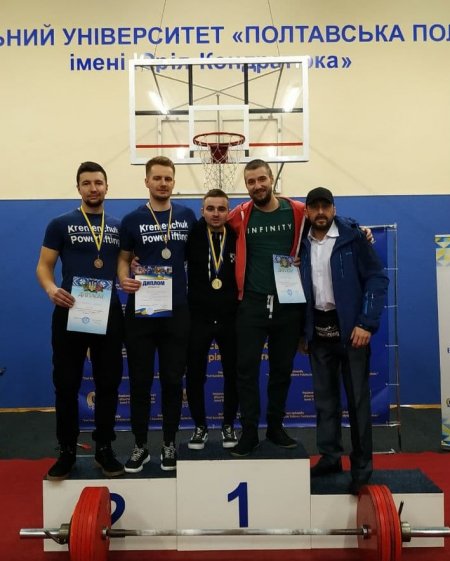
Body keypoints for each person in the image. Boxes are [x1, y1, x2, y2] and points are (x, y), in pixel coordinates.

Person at [36, 161, 124, 480]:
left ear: (107, 187)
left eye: (98, 182)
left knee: (109, 383)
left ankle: (104, 449)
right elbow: (44, 266)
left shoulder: (118, 227)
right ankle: (67, 451)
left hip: (108, 312)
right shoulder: (60, 224)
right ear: (78, 188)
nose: (93, 188)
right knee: (66, 384)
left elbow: (127, 265)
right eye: (86, 183)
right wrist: (51, 289)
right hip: (70, 309)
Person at [299, 187, 389, 495]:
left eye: (325, 207)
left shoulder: (353, 238)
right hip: (319, 332)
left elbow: (377, 278)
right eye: (314, 207)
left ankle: (362, 467)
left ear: (334, 209)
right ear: (307, 211)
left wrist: (366, 323)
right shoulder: (300, 242)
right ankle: (330, 458)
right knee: (325, 402)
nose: (320, 212)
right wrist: (303, 332)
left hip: (352, 333)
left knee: (358, 402)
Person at [118, 156, 196, 472]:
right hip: (142, 310)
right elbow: (123, 259)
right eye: (157, 178)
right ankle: (140, 445)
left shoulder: (188, 216)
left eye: (168, 178)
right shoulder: (132, 219)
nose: (163, 183)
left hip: (177, 311)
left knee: (173, 381)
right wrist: (123, 277)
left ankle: (168, 443)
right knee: (140, 381)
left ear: (173, 182)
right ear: (147, 181)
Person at [227, 159, 306, 457]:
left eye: (262, 179)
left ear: (272, 179)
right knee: (246, 371)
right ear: (246, 186)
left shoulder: (297, 211)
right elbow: (207, 228)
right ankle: (249, 432)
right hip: (252, 304)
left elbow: (330, 220)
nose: (257, 186)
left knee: (281, 370)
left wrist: (360, 230)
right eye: (251, 182)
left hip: (288, 304)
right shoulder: (240, 215)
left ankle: (275, 427)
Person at [185, 189, 239, 450]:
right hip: (198, 317)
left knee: (233, 374)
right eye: (210, 208)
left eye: (221, 209)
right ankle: (200, 427)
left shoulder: (237, 236)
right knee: (195, 374)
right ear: (202, 211)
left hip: (231, 317)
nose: (216, 214)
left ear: (228, 211)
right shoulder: (191, 234)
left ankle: (228, 425)